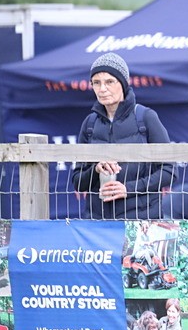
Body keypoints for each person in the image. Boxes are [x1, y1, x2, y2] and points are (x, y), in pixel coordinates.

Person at [71, 53, 175, 219]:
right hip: (99, 222)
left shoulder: (146, 117)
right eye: (96, 83)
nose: (102, 89)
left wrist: (128, 188)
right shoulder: (89, 123)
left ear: (124, 83)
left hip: (141, 221)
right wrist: (96, 169)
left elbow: (169, 172)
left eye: (109, 82)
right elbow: (78, 182)